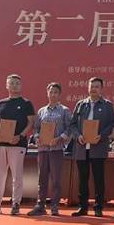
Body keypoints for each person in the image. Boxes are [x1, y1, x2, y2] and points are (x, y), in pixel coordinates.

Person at [0, 74, 36, 216]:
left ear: (21, 85)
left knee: (17, 175)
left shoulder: (26, 103)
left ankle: (16, 204)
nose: (14, 85)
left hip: (17, 144)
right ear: (6, 85)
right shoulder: (0, 103)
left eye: (17, 83)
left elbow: (31, 122)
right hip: (0, 144)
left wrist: (20, 136)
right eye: (11, 83)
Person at [69, 77, 114, 217]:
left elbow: (112, 124)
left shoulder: (107, 105)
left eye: (96, 86)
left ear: (101, 89)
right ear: (88, 88)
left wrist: (101, 136)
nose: (93, 89)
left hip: (98, 147)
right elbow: (73, 124)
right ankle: (83, 207)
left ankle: (98, 207)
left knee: (98, 179)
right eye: (92, 86)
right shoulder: (81, 104)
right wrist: (78, 136)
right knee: (82, 179)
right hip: (82, 147)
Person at [30, 82, 72, 217]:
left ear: (59, 94)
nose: (53, 94)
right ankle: (40, 205)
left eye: (56, 92)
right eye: (51, 92)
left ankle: (54, 205)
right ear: (47, 93)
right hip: (43, 149)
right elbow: (36, 128)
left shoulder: (64, 110)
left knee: (56, 179)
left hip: (56, 149)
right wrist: (37, 137)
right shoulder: (41, 111)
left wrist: (59, 138)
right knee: (42, 178)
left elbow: (70, 128)